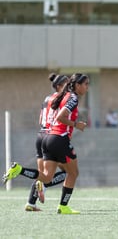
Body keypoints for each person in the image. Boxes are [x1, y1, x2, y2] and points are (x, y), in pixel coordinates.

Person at [3, 73, 89, 214]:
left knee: (47, 177)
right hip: (59, 138)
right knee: (73, 173)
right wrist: (76, 124)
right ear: (77, 85)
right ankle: (63, 206)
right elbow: (61, 117)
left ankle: (19, 170)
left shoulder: (58, 96)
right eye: (86, 84)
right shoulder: (72, 97)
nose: (87, 88)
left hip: (47, 138)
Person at [24, 73, 69, 212]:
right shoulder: (62, 98)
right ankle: (42, 186)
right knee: (68, 172)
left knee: (42, 173)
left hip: (41, 135)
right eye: (67, 84)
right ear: (60, 85)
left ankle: (31, 203)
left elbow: (40, 120)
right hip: (52, 136)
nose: (70, 87)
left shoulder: (46, 98)